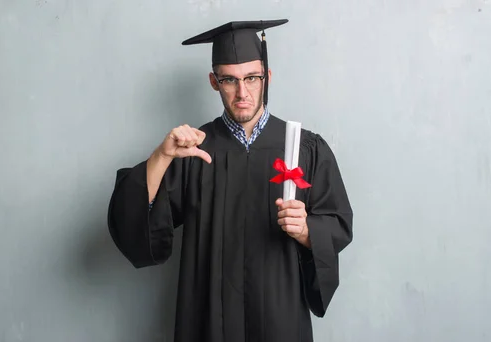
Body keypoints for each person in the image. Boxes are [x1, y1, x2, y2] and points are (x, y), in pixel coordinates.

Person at [107, 19, 353, 342]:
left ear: (267, 75)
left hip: (280, 323)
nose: (242, 93)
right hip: (209, 325)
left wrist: (308, 231)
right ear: (214, 81)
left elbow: (338, 224)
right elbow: (134, 224)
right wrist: (161, 156)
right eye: (229, 80)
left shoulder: (305, 149)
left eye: (252, 77)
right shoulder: (193, 149)